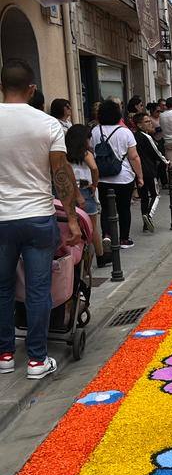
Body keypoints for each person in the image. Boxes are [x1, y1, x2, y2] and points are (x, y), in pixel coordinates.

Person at [0, 60, 80, 380]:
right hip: (37, 216)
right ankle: (36, 359)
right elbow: (61, 175)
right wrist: (72, 219)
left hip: (1, 219)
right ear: (32, 89)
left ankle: (5, 354)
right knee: (37, 289)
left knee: (2, 289)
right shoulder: (47, 124)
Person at [95, 100, 143, 249]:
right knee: (123, 208)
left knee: (106, 208)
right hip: (123, 176)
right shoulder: (125, 132)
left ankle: (107, 235)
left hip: (102, 176)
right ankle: (124, 239)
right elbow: (134, 157)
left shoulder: (95, 131)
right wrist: (139, 176)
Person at [65, 124, 105, 264]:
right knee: (92, 228)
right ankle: (100, 256)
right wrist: (94, 184)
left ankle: (75, 259)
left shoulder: (64, 153)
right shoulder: (85, 153)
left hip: (66, 191)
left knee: (71, 227)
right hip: (84, 189)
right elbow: (94, 168)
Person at [134, 111, 168, 232]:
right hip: (149, 170)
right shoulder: (146, 137)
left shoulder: (134, 137)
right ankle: (148, 215)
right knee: (155, 194)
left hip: (138, 171)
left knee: (144, 197)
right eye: (147, 122)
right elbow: (156, 152)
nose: (150, 124)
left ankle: (145, 224)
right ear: (139, 125)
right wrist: (166, 162)